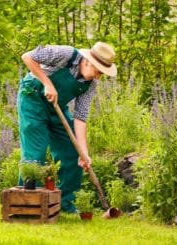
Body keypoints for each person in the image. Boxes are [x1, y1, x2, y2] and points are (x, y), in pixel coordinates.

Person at [17, 42, 117, 213]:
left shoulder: (90, 84)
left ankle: (64, 203)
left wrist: (83, 152)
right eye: (98, 71)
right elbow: (27, 57)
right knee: (35, 154)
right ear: (87, 62)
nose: (98, 77)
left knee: (73, 152)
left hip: (57, 107)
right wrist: (47, 84)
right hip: (32, 98)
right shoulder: (65, 54)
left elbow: (81, 117)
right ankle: (28, 204)